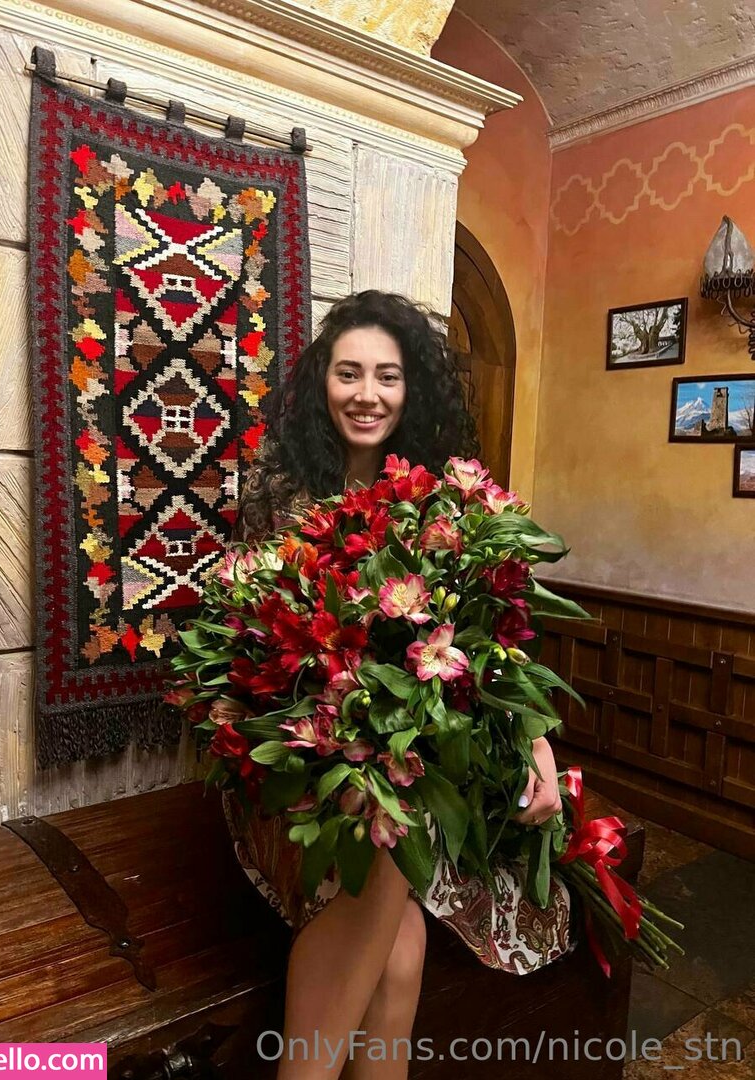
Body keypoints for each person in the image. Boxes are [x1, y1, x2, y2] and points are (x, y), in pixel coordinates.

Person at [223, 291, 569, 1079]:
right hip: (297, 753)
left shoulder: (444, 500)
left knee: (401, 937)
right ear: (323, 381)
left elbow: (496, 639)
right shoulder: (278, 489)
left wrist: (537, 741)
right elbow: (250, 638)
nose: (367, 394)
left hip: (402, 760)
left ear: (413, 389)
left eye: (388, 375)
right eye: (349, 373)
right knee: (385, 841)